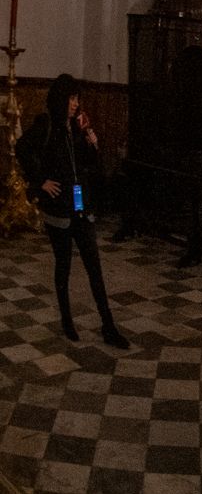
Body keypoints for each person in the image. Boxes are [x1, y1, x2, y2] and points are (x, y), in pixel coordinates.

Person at [13, 75, 129, 347]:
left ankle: (108, 325)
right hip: (59, 210)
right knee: (63, 266)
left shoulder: (77, 129)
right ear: (61, 99)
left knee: (94, 268)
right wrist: (40, 181)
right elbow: (21, 148)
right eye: (72, 98)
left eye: (78, 99)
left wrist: (92, 143)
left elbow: (90, 166)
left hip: (82, 206)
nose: (76, 104)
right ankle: (67, 319)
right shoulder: (48, 126)